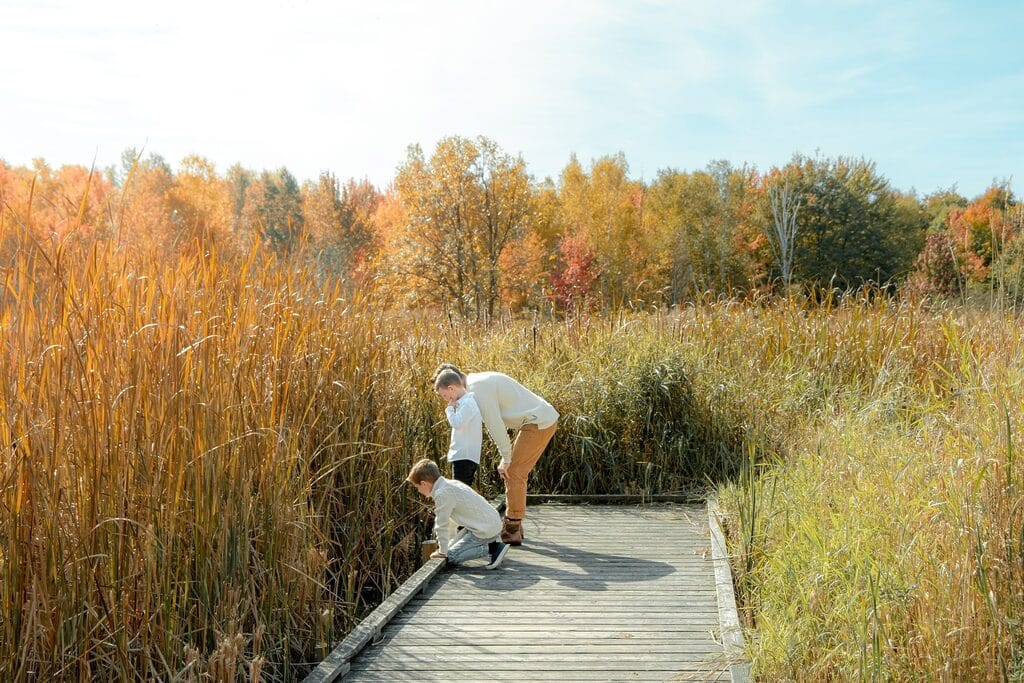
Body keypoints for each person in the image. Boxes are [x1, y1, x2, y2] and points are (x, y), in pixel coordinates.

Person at [431, 364, 558, 546]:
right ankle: (515, 523)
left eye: (446, 395)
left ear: (453, 384)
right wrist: (506, 457)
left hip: (539, 421)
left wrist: (506, 458)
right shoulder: (476, 383)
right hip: (535, 420)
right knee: (513, 470)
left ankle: (512, 528)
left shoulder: (477, 390)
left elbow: (495, 426)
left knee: (514, 471)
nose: (448, 399)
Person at [407, 458, 510, 569]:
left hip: (484, 529)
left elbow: (441, 524)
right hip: (489, 523)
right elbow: (452, 521)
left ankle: (492, 548)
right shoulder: (451, 484)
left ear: (424, 484)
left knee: (451, 557)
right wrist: (447, 545)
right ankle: (491, 541)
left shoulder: (442, 494)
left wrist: (442, 552)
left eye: (417, 487)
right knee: (449, 549)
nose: (419, 491)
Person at [434, 368, 482, 487]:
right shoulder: (465, 402)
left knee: (460, 492)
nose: (445, 399)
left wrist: (449, 409)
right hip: (464, 456)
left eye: (444, 395)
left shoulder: (467, 403)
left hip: (464, 457)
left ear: (451, 388)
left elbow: (457, 423)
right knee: (462, 491)